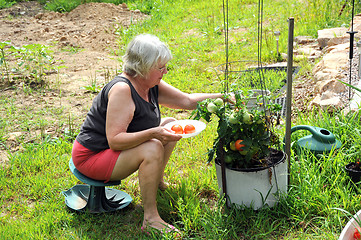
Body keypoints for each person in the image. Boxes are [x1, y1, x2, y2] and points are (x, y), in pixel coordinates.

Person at [71, 34, 225, 234]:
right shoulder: (122, 90)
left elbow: (187, 101)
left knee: (170, 124)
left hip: (109, 150)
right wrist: (154, 133)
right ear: (142, 66)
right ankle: (151, 218)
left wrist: (223, 97)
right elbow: (115, 141)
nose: (165, 71)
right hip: (92, 156)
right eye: (160, 67)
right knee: (153, 146)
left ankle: (157, 181)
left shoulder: (149, 84)